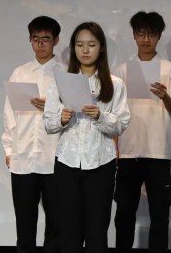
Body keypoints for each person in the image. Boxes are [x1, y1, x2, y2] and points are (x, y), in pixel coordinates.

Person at [44, 22, 131, 253]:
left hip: (101, 164)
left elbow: (121, 125)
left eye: (91, 44)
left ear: (101, 48)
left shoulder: (115, 84)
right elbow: (48, 124)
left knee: (97, 231)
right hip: (67, 162)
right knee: (68, 232)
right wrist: (62, 118)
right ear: (73, 48)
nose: (85, 50)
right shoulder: (61, 82)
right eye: (79, 44)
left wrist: (100, 116)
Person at [114, 11, 171, 253]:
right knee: (124, 211)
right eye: (141, 34)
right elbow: (114, 112)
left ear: (159, 36)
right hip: (128, 150)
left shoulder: (169, 69)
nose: (146, 39)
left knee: (160, 213)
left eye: (151, 34)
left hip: (158, 151)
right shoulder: (122, 70)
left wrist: (164, 96)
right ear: (134, 35)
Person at [2, 16, 65, 253]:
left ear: (56, 40)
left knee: (56, 224)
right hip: (23, 157)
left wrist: (51, 107)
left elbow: (73, 114)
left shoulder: (65, 73)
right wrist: (9, 149)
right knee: (25, 223)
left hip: (55, 158)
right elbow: (10, 114)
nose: (39, 44)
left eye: (45, 39)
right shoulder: (20, 72)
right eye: (35, 39)